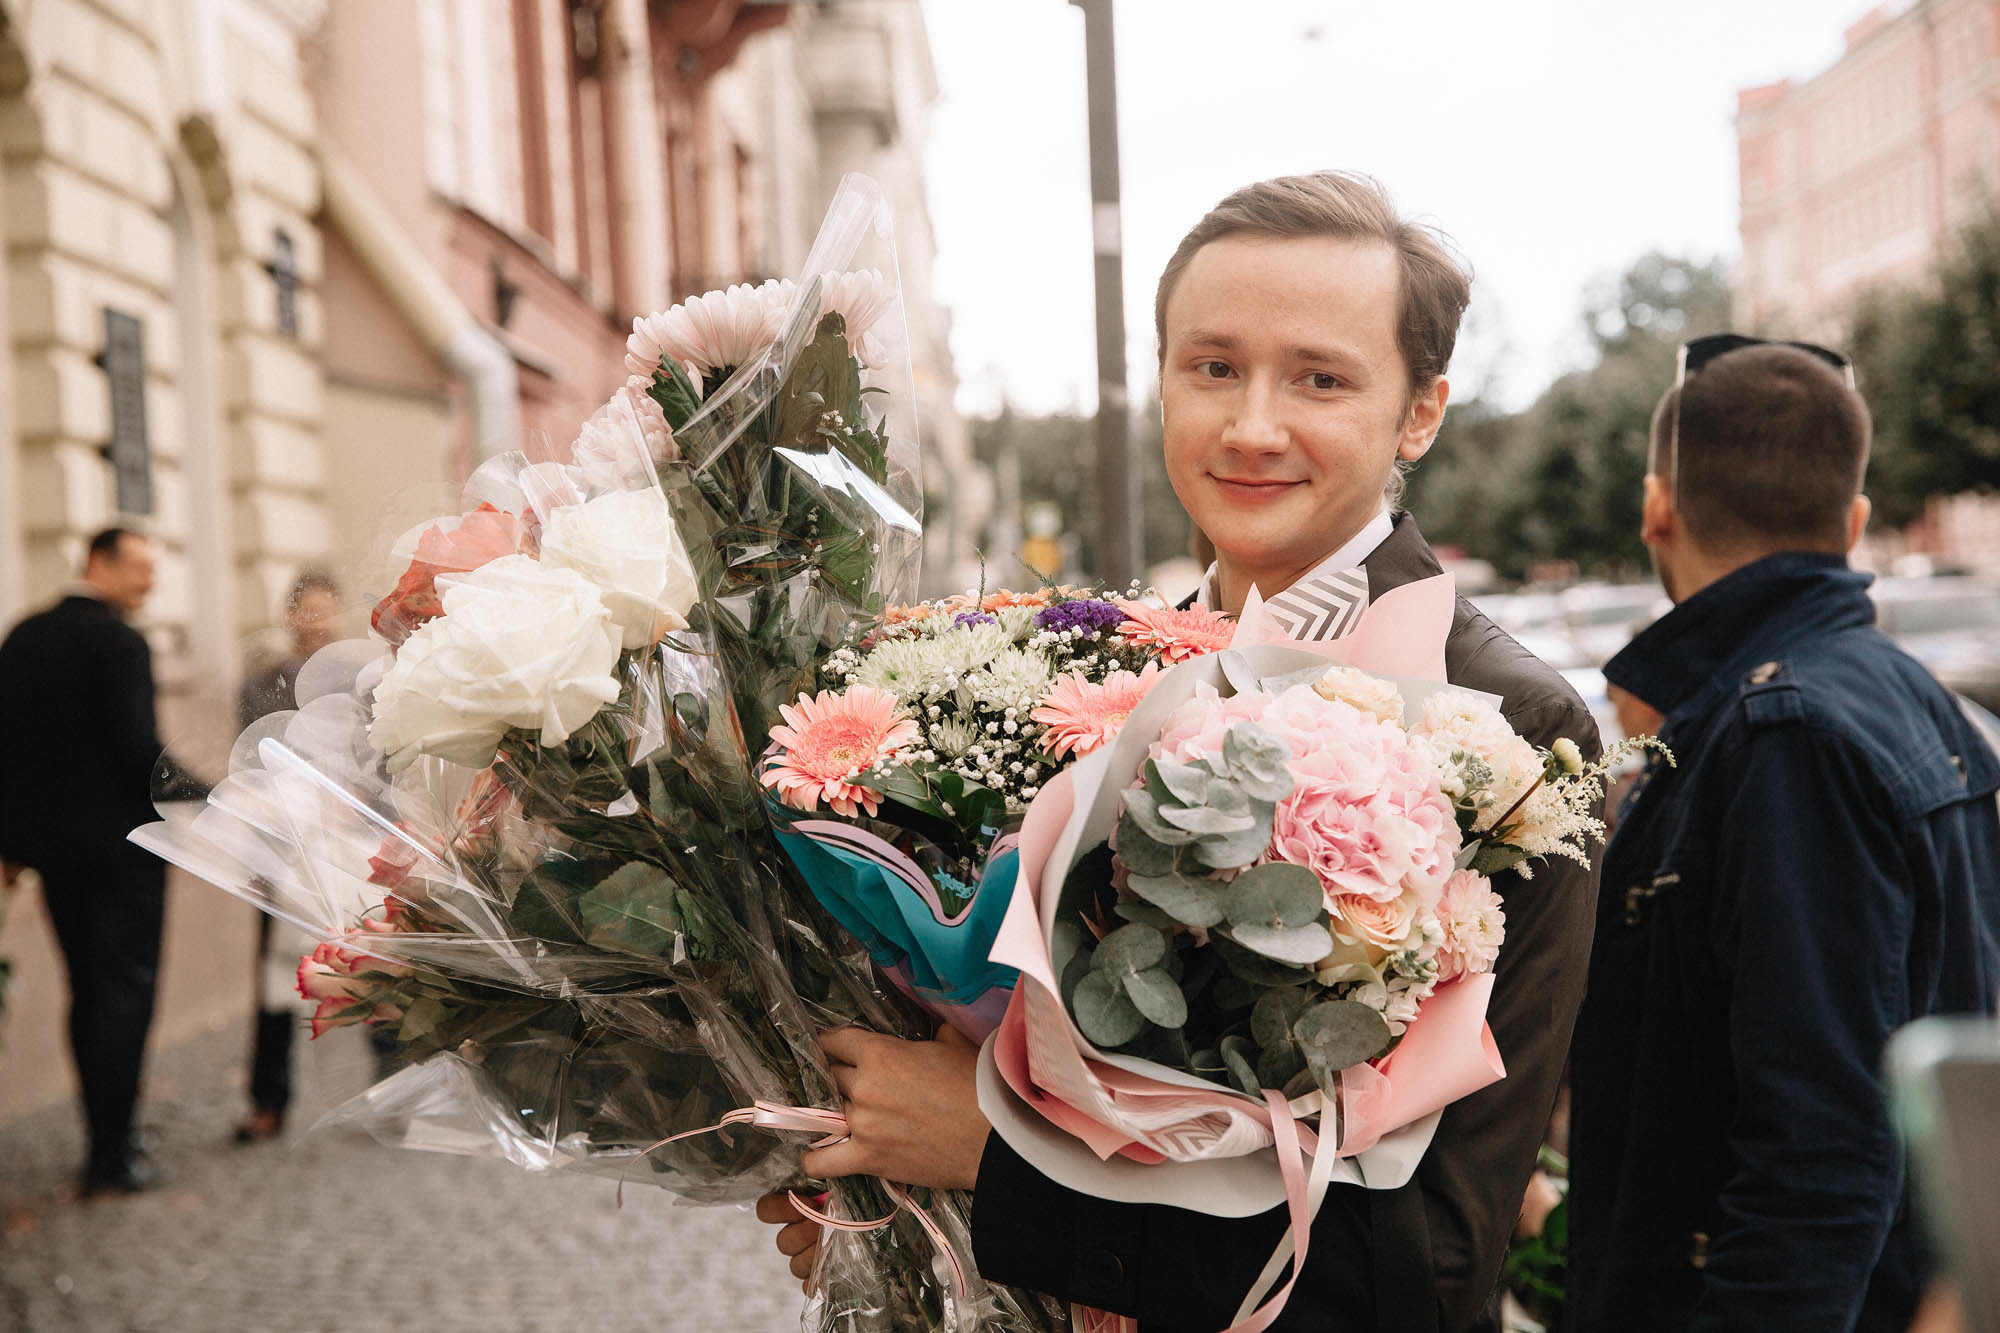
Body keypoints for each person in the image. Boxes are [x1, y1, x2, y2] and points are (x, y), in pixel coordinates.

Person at [759, 171, 1602, 1331]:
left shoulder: (1508, 728)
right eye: (1211, 367)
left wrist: (993, 1165)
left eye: (1318, 377)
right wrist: (887, 1194)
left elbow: (1437, 1269)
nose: (1250, 426)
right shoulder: (1081, 674)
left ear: (1419, 412)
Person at [1565, 338, 2000, 1330]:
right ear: (1851, 523)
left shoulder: (1782, 735)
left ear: (1653, 506)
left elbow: (1817, 1152)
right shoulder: (1906, 700)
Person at [0, 528, 205, 1195]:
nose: (151, 582)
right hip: (125, 856)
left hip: (56, 858)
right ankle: (111, 1150)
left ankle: (105, 1134)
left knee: (86, 992)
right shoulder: (121, 641)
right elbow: (136, 748)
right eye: (141, 568)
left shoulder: (23, 636)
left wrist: (13, 844)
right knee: (124, 996)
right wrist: (210, 791)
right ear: (98, 563)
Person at [232, 570, 341, 1144]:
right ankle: (268, 1100)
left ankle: (393, 1085)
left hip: (352, 848)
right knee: (277, 978)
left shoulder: (359, 678)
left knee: (376, 957)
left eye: (326, 610)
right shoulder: (258, 687)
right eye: (306, 611)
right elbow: (247, 766)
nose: (315, 622)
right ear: (290, 616)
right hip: (281, 850)